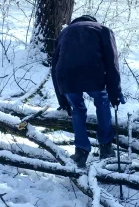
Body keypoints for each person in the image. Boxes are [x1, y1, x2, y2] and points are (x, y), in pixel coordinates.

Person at [51, 15, 125, 168]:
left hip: (66, 75)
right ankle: (105, 146)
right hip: (94, 73)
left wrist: (63, 101)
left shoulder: (64, 33)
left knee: (77, 109)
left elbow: (54, 66)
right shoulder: (103, 30)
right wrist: (114, 92)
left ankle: (81, 151)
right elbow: (112, 63)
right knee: (102, 102)